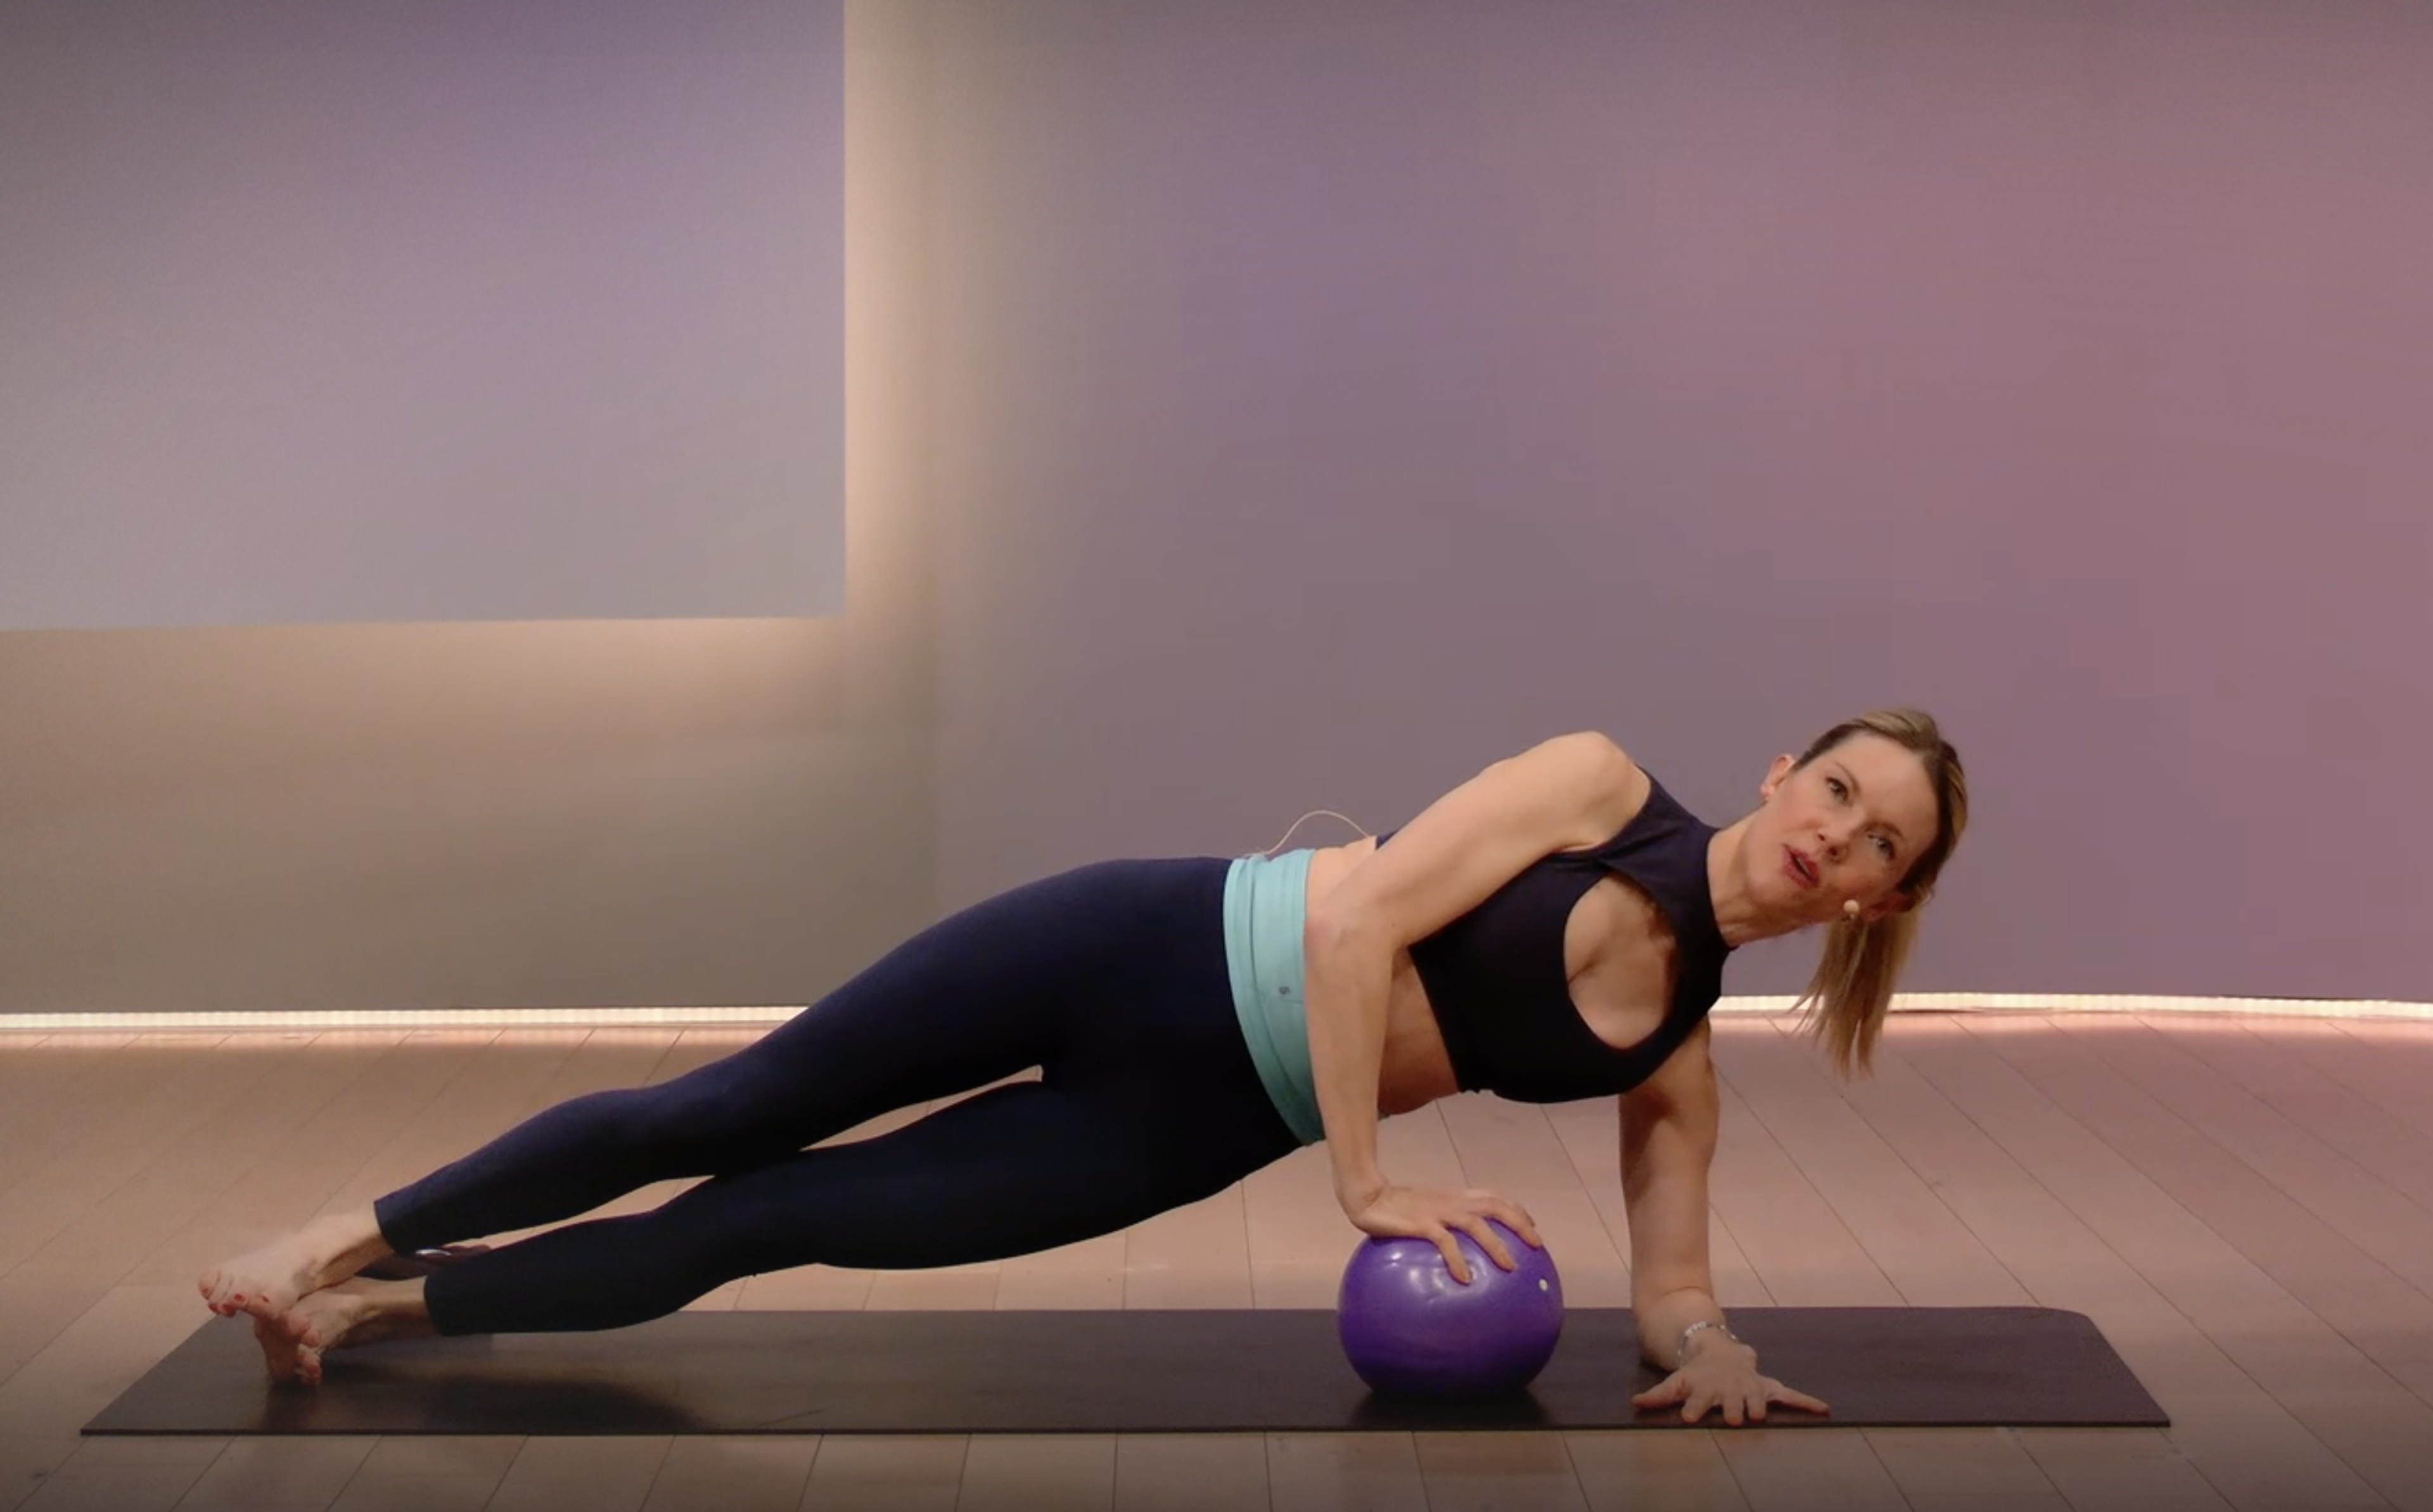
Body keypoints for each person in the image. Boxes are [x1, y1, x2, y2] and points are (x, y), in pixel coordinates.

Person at [201, 707, 1966, 1424]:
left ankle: (378, 1314)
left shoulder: (1679, 1064)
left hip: (1188, 1121)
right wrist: (1365, 1184)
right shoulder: (1596, 782)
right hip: (1145, 946)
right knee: (722, 1111)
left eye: (1879, 839)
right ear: (1781, 769)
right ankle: (339, 1234)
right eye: (1837, 787)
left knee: (774, 1222)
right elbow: (1360, 937)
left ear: (1881, 902)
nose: (1839, 835)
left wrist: (1714, 1353)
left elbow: (1671, 1286)